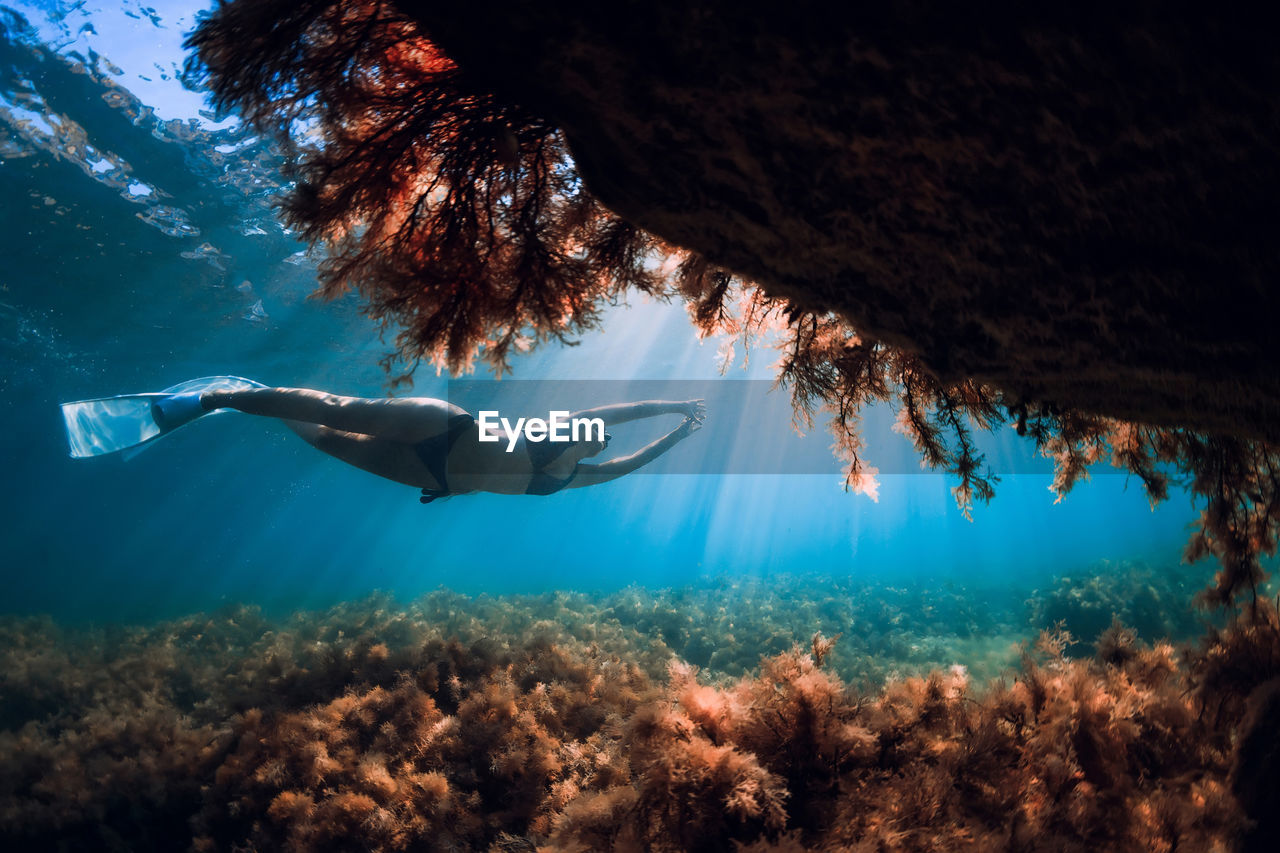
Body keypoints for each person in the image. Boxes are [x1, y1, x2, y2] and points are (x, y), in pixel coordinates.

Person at [62, 377, 704, 500]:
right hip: (443, 426)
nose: (599, 440)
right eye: (598, 434)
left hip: (435, 478)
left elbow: (634, 460)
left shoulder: (581, 475)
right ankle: (216, 398)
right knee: (340, 407)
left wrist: (679, 434)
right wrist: (675, 403)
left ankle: (246, 395)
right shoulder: (563, 431)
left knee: (323, 439)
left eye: (601, 442)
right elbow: (632, 410)